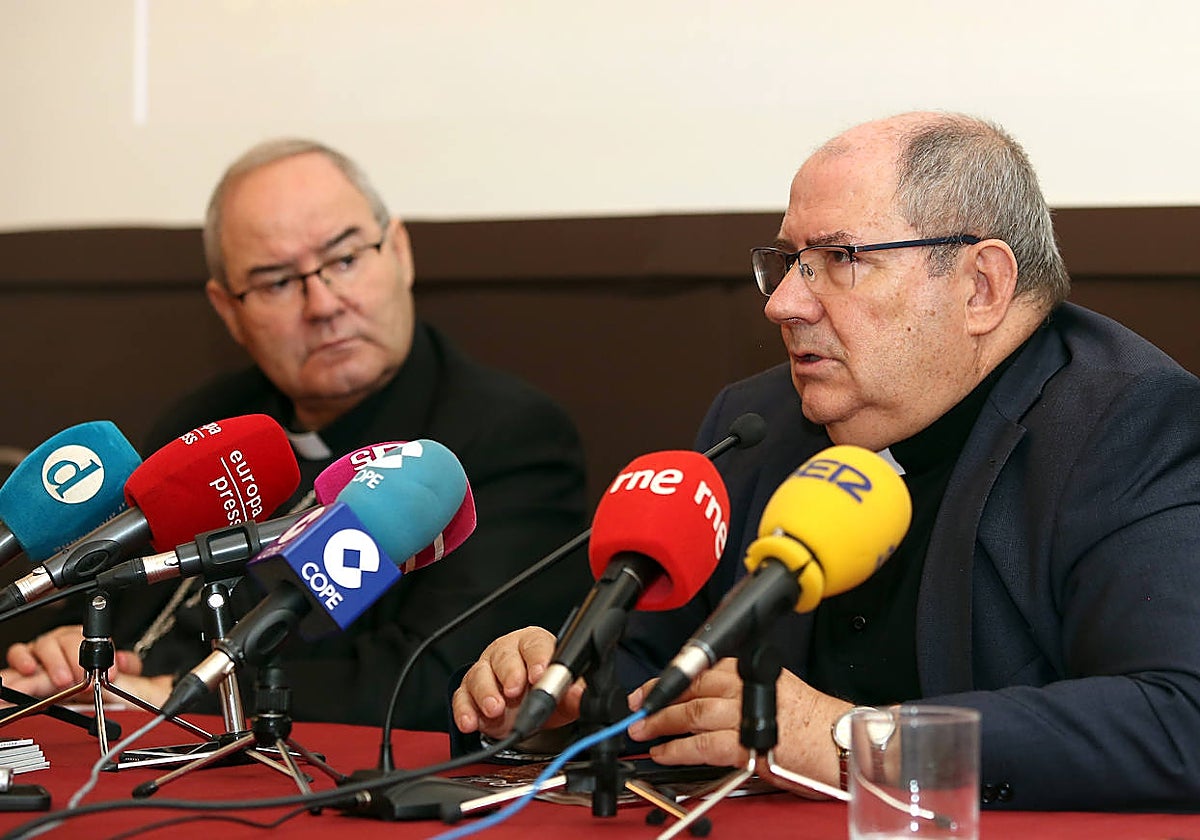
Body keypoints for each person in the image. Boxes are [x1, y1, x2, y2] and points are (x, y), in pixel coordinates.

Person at [451, 111, 1200, 809]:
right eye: (786, 260)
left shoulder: (1128, 424)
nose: (783, 304)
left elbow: (1181, 717)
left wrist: (855, 743)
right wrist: (565, 702)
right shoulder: (758, 426)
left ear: (981, 287)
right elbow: (659, 673)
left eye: (839, 257)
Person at [3, 138, 592, 731]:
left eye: (345, 260)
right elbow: (126, 611)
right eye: (278, 282)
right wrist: (75, 651)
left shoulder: (506, 439)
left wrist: (170, 691)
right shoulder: (207, 423)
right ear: (228, 310)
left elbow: (442, 674)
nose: (324, 304)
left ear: (402, 253)